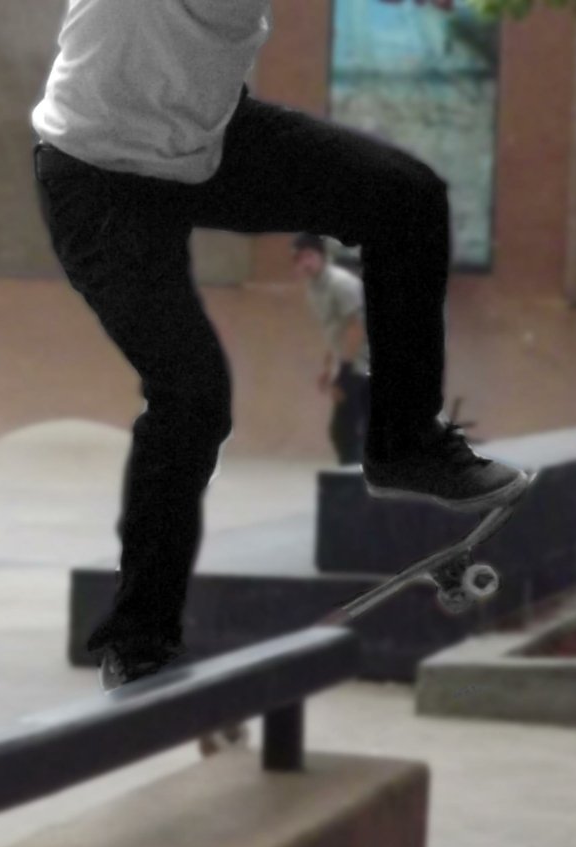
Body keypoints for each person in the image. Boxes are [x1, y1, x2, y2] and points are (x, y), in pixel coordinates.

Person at [32, 0, 527, 689]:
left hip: (208, 144)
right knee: (192, 399)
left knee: (404, 200)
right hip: (98, 177)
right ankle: (138, 637)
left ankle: (402, 441)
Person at [294, 234, 372, 465]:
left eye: (310, 256)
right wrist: (328, 367)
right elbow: (334, 331)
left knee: (344, 430)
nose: (305, 262)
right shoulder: (314, 289)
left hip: (364, 364)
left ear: (322, 256)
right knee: (349, 429)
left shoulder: (341, 284)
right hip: (352, 362)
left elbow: (356, 326)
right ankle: (361, 483)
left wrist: (345, 371)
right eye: (299, 258)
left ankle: (359, 484)